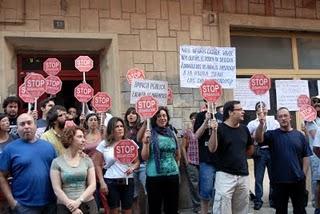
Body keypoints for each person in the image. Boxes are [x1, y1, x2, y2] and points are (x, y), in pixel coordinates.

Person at [255, 107, 312, 214]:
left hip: (297, 180)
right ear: (277, 119)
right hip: (279, 181)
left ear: (290, 117)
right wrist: (261, 124)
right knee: (280, 211)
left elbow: (306, 156)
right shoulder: (272, 135)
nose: (283, 118)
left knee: (300, 210)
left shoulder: (299, 135)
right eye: (280, 116)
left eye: (285, 116)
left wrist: (303, 174)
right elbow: (258, 139)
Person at [0, 113, 57, 214]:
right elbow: (1, 176)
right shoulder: (10, 149)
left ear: (35, 126)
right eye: (22, 124)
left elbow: (57, 172)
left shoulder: (49, 147)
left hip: (50, 203)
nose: (26, 126)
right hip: (23, 206)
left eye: (29, 123)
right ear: (17, 129)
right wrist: (12, 202)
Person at [208, 100, 254, 214]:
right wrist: (214, 131)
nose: (243, 112)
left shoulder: (244, 129)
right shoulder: (220, 128)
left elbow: (250, 149)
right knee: (223, 209)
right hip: (225, 176)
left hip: (243, 176)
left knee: (242, 209)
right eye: (239, 110)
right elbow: (212, 148)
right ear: (230, 112)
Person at [94, 117, 139, 214]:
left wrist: (133, 168)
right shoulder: (104, 144)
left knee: (127, 210)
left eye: (121, 126)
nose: (120, 128)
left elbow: (137, 162)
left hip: (128, 180)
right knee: (113, 210)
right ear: (111, 129)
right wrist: (102, 182)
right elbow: (97, 164)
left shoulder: (130, 143)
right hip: (110, 181)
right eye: (116, 126)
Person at [140, 107, 180, 214]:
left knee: (172, 208)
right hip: (154, 177)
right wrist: (146, 143)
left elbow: (177, 154)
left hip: (172, 175)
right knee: (154, 208)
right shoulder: (149, 133)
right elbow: (144, 157)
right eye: (159, 116)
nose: (162, 118)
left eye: (164, 116)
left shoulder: (172, 132)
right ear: (154, 119)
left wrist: (175, 167)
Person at [50, 126, 98, 214]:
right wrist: (71, 206)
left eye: (84, 137)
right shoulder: (57, 162)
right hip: (65, 205)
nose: (83, 140)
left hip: (87, 204)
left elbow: (92, 185)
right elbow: (57, 189)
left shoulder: (87, 160)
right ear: (70, 139)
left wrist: (78, 201)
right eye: (80, 137)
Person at [247, 101, 279, 210]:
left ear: (266, 109)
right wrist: (254, 136)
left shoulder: (273, 121)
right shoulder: (252, 123)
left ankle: (273, 199)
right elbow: (247, 136)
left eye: (263, 108)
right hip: (259, 151)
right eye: (259, 108)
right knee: (259, 177)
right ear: (256, 111)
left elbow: (278, 134)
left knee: (273, 177)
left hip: (272, 151)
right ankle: (258, 200)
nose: (262, 110)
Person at [193, 100, 216, 214]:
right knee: (206, 190)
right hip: (206, 160)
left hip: (221, 161)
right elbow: (196, 136)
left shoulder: (221, 115)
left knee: (220, 191)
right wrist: (206, 120)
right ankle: (204, 212)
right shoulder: (200, 116)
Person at [124, 107, 146, 214]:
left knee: (148, 191)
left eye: (133, 113)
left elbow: (139, 138)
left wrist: (147, 121)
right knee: (133, 195)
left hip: (142, 164)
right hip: (128, 166)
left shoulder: (142, 127)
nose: (131, 115)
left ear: (137, 116)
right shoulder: (122, 128)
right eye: (129, 113)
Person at [181, 112, 200, 213]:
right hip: (191, 162)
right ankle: (197, 207)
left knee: (205, 184)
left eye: (196, 118)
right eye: (192, 118)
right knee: (194, 185)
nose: (194, 119)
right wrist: (186, 161)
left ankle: (205, 205)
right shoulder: (188, 132)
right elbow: (183, 147)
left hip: (203, 162)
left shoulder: (204, 130)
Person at [0, 113, 17, 214]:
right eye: (3, 121)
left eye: (8, 121)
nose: (7, 123)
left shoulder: (15, 138)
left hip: (13, 178)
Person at [305, 98, 320, 211]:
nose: (317, 104)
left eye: (319, 102)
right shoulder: (311, 121)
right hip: (316, 155)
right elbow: (316, 137)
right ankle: (317, 206)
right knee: (317, 180)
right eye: (314, 103)